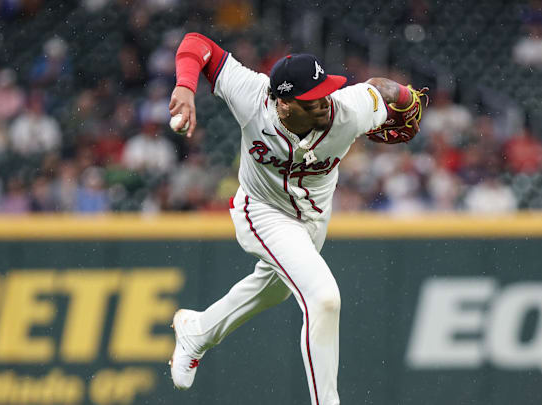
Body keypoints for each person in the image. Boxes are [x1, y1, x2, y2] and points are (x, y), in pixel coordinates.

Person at [167, 32, 427, 405]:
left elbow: (380, 89)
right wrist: (186, 86)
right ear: (283, 103)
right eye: (310, 100)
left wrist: (403, 98)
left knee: (273, 289)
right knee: (323, 298)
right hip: (262, 210)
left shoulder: (346, 108)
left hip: (312, 221)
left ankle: (198, 331)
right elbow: (196, 44)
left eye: (324, 92)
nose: (323, 103)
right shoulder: (253, 96)